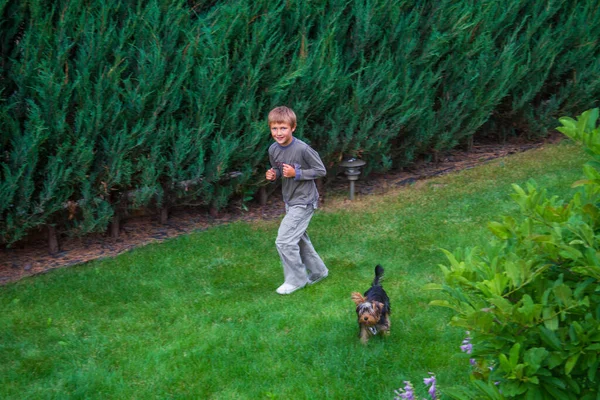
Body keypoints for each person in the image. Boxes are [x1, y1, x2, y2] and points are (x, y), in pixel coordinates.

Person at [265, 106, 329, 295]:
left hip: (305, 201)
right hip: (290, 200)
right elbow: (279, 169)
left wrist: (297, 173)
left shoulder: (303, 149)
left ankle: (296, 280)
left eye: (283, 128)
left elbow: (321, 170)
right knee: (298, 239)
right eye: (274, 128)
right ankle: (319, 272)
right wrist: (274, 174)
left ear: (293, 127)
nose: (278, 133)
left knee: (284, 241)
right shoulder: (273, 149)